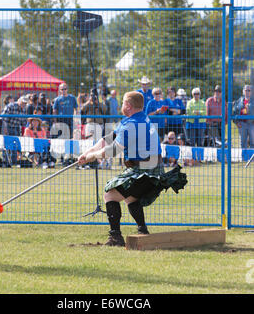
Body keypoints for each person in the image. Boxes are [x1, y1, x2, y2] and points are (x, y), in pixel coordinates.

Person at [78, 91, 187, 246]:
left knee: (110, 194)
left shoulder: (131, 124)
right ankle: (143, 231)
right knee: (130, 197)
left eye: (123, 103)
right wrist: (86, 153)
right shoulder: (139, 119)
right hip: (151, 169)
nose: (121, 106)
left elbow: (112, 150)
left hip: (145, 171)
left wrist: (92, 157)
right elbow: (108, 139)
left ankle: (115, 237)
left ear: (128, 105)